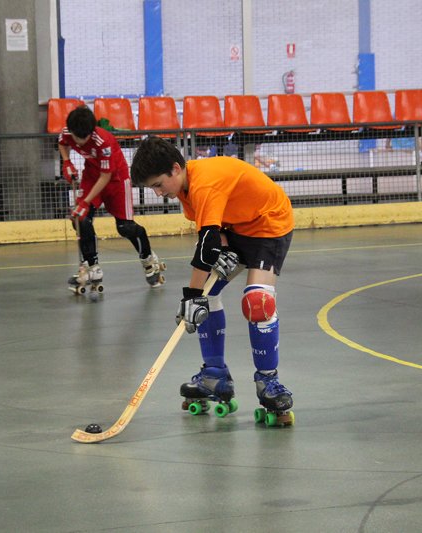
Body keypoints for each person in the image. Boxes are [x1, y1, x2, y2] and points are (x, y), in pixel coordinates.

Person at [130, 136, 295, 424]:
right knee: (206, 297)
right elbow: (213, 234)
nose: (157, 193)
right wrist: (222, 250)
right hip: (236, 229)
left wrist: (191, 296)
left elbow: (205, 247)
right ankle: (214, 375)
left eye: (158, 184)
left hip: (268, 226)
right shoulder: (185, 189)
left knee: (257, 301)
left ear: (175, 169)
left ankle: (268, 381)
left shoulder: (205, 183)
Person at [58, 106, 164, 291]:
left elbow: (105, 176)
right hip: (92, 176)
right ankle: (92, 266)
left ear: (91, 132)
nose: (80, 142)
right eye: (77, 138)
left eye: (84, 138)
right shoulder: (68, 131)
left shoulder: (103, 142)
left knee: (125, 227)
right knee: (81, 219)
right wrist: (67, 161)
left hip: (116, 180)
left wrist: (85, 202)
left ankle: (148, 258)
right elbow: (62, 143)